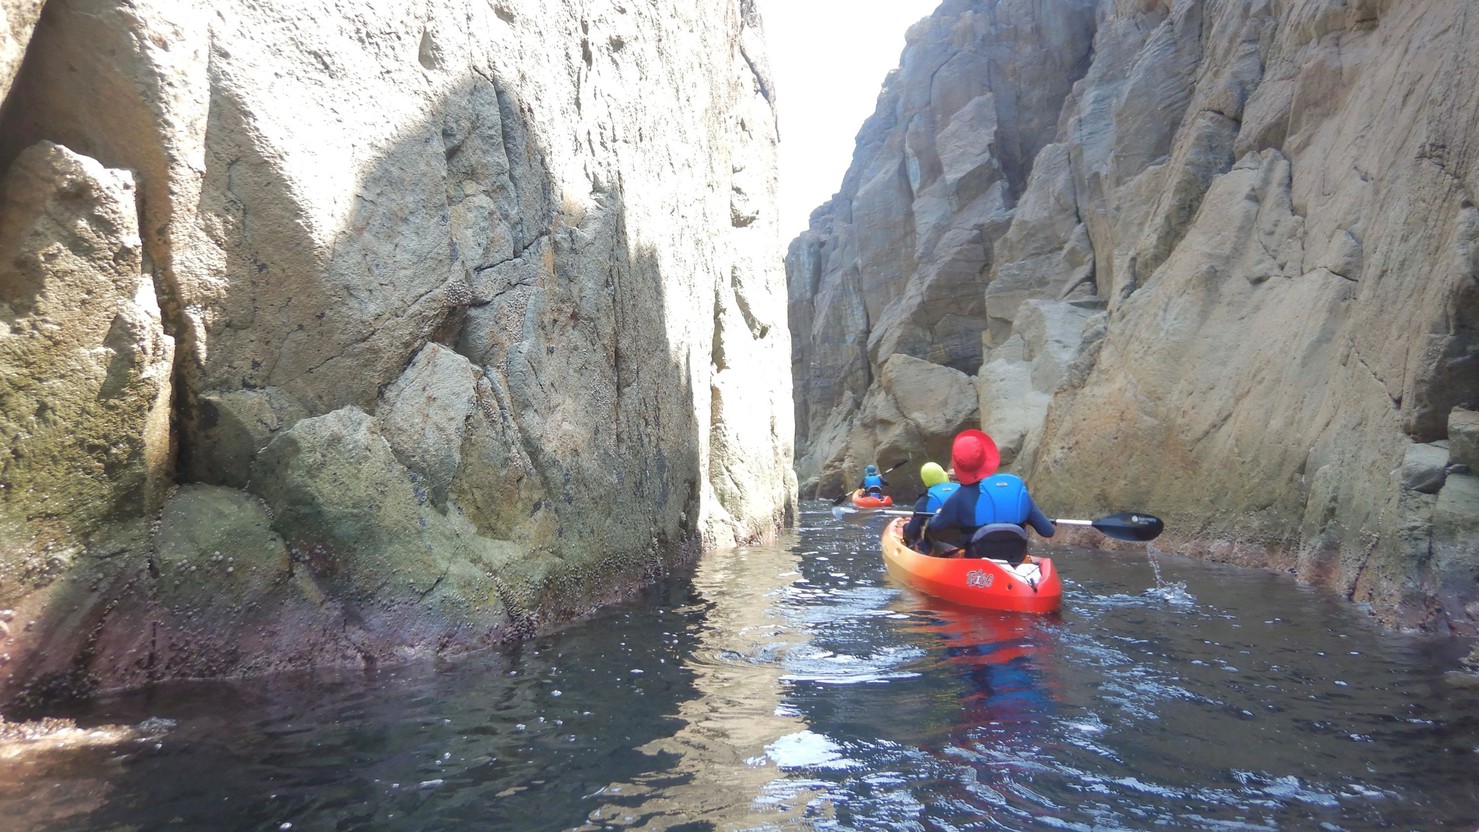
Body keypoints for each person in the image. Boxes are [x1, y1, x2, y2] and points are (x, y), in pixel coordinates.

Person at [925, 429, 1054, 563]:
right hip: (1016, 561)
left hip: (977, 566)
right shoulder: (1017, 491)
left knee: (940, 546)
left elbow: (934, 527)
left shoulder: (958, 497)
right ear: (986, 459)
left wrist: (940, 513)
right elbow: (1047, 531)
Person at [902, 462, 958, 551]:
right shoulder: (962, 489)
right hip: (963, 538)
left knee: (913, 530)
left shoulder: (925, 499)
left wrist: (906, 527)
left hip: (937, 544)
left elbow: (911, 533)